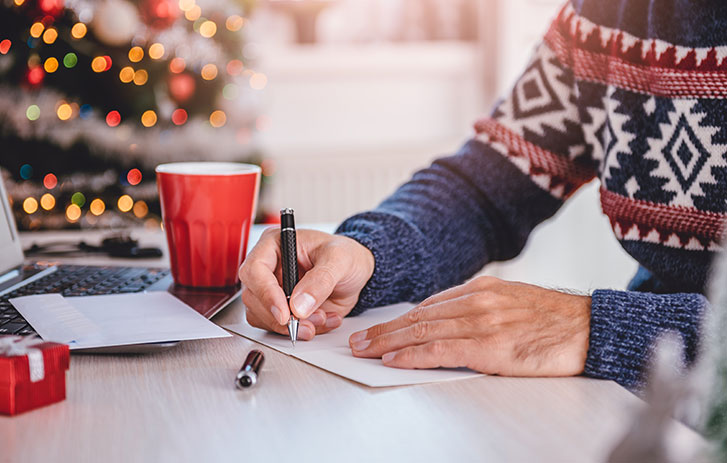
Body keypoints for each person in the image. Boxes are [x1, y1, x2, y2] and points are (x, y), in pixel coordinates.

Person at [239, 0, 727, 391]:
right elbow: (485, 187)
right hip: (647, 401)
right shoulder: (605, 13)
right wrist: (368, 253)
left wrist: (600, 327)